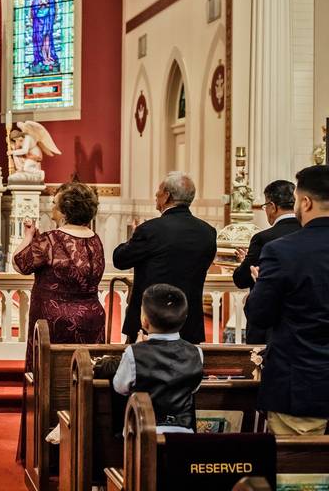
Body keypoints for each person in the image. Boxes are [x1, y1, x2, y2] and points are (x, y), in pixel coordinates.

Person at [245, 165, 329, 436]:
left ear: (305, 202)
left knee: (298, 475)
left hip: (301, 386)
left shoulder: (283, 251)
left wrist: (259, 288)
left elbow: (259, 315)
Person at [12, 181, 106, 370]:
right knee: (85, 373)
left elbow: (19, 263)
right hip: (92, 317)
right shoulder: (95, 239)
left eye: (55, 203)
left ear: (65, 211)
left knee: (52, 375)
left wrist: (29, 236)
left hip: (55, 322)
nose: (52, 207)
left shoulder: (50, 240)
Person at [113, 172, 216, 344]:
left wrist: (133, 237)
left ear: (167, 195)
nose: (155, 195)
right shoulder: (208, 232)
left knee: (142, 369)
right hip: (188, 321)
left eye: (158, 191)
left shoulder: (150, 230)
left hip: (151, 321)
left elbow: (120, 260)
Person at [112, 284, 204, 433]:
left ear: (144, 321)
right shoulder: (196, 352)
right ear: (184, 319)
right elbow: (194, 387)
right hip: (183, 433)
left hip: (141, 432)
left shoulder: (134, 352)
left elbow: (119, 387)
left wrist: (139, 349)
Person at [231, 179, 300, 343]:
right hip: (301, 322)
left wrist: (245, 263)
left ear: (273, 206)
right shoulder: (307, 233)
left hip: (268, 322)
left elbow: (241, 280)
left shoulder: (263, 238)